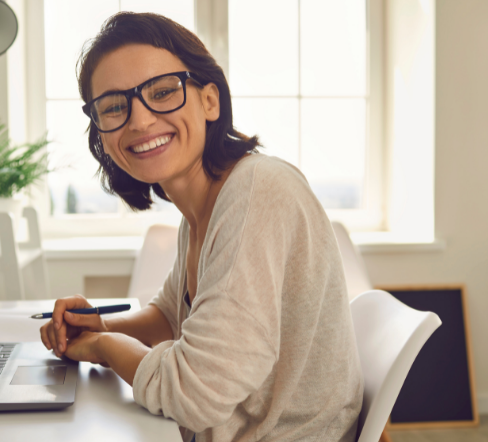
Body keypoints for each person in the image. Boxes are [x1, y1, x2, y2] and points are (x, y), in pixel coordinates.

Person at [39, 12, 363, 442]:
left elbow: (195, 393)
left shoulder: (256, 191)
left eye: (162, 91)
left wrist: (102, 348)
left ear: (210, 100)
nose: (139, 121)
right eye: (115, 106)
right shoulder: (200, 212)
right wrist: (97, 326)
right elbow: (171, 318)